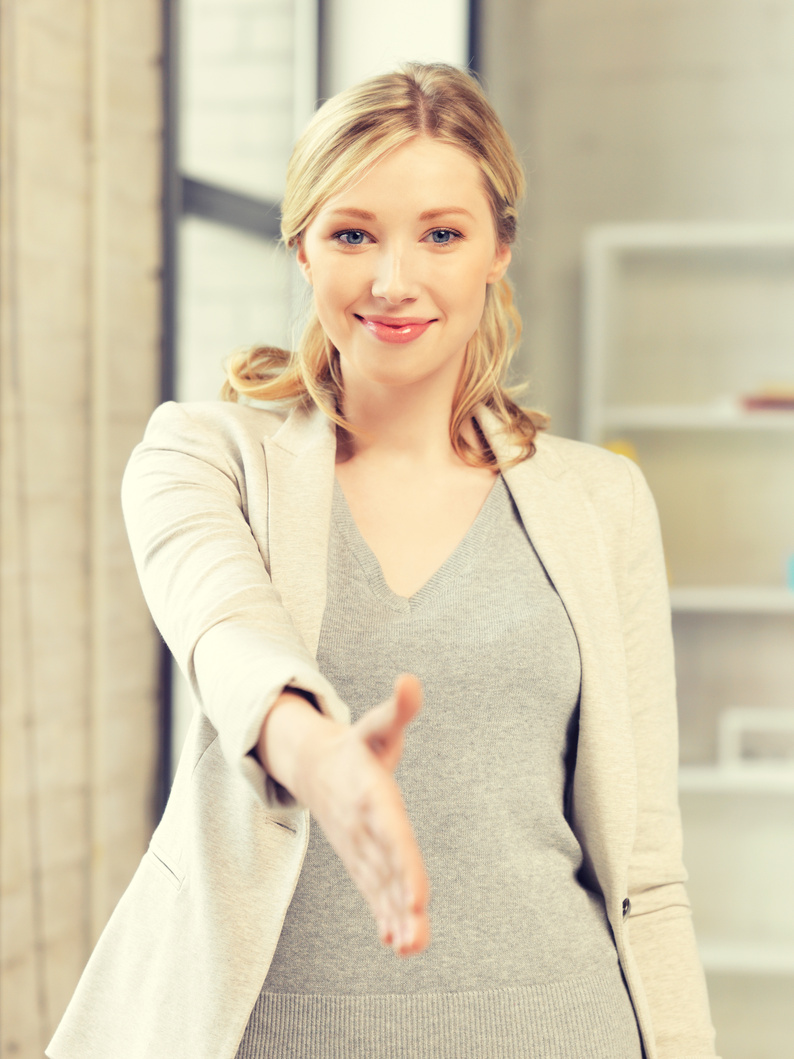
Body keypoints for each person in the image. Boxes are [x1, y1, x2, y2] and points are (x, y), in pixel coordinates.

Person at [47, 63, 719, 1059]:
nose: (393, 280)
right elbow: (225, 627)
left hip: (563, 1028)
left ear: (498, 247)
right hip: (270, 1032)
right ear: (301, 247)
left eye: (440, 234)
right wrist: (317, 757)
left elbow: (645, 864)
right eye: (352, 233)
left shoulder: (600, 502)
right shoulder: (201, 457)